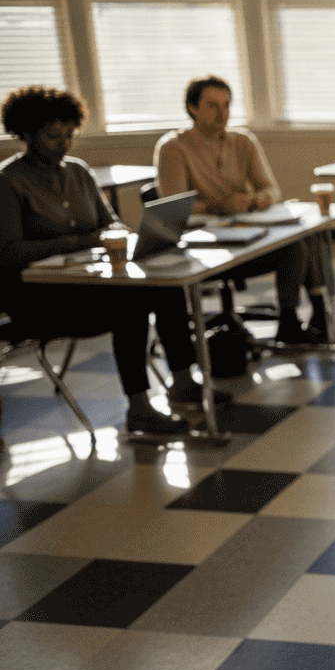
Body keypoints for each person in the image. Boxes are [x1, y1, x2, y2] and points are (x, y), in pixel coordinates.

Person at [0, 86, 224, 435]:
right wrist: (76, 242)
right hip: (38, 296)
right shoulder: (8, 181)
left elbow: (112, 224)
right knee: (130, 304)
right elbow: (10, 253)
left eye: (69, 134)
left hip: (89, 282)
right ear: (26, 134)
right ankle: (139, 408)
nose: (63, 144)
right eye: (52, 136)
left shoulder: (78, 172)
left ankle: (183, 379)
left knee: (165, 288)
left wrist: (115, 236)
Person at [154, 75, 335, 346]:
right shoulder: (173, 148)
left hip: (246, 233)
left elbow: (272, 190)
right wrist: (218, 206)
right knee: (297, 246)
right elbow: (175, 208)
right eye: (212, 106)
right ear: (192, 108)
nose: (222, 113)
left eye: (227, 105)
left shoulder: (242, 141)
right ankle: (294, 322)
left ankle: (316, 318)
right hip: (204, 249)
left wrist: (252, 201)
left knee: (307, 236)